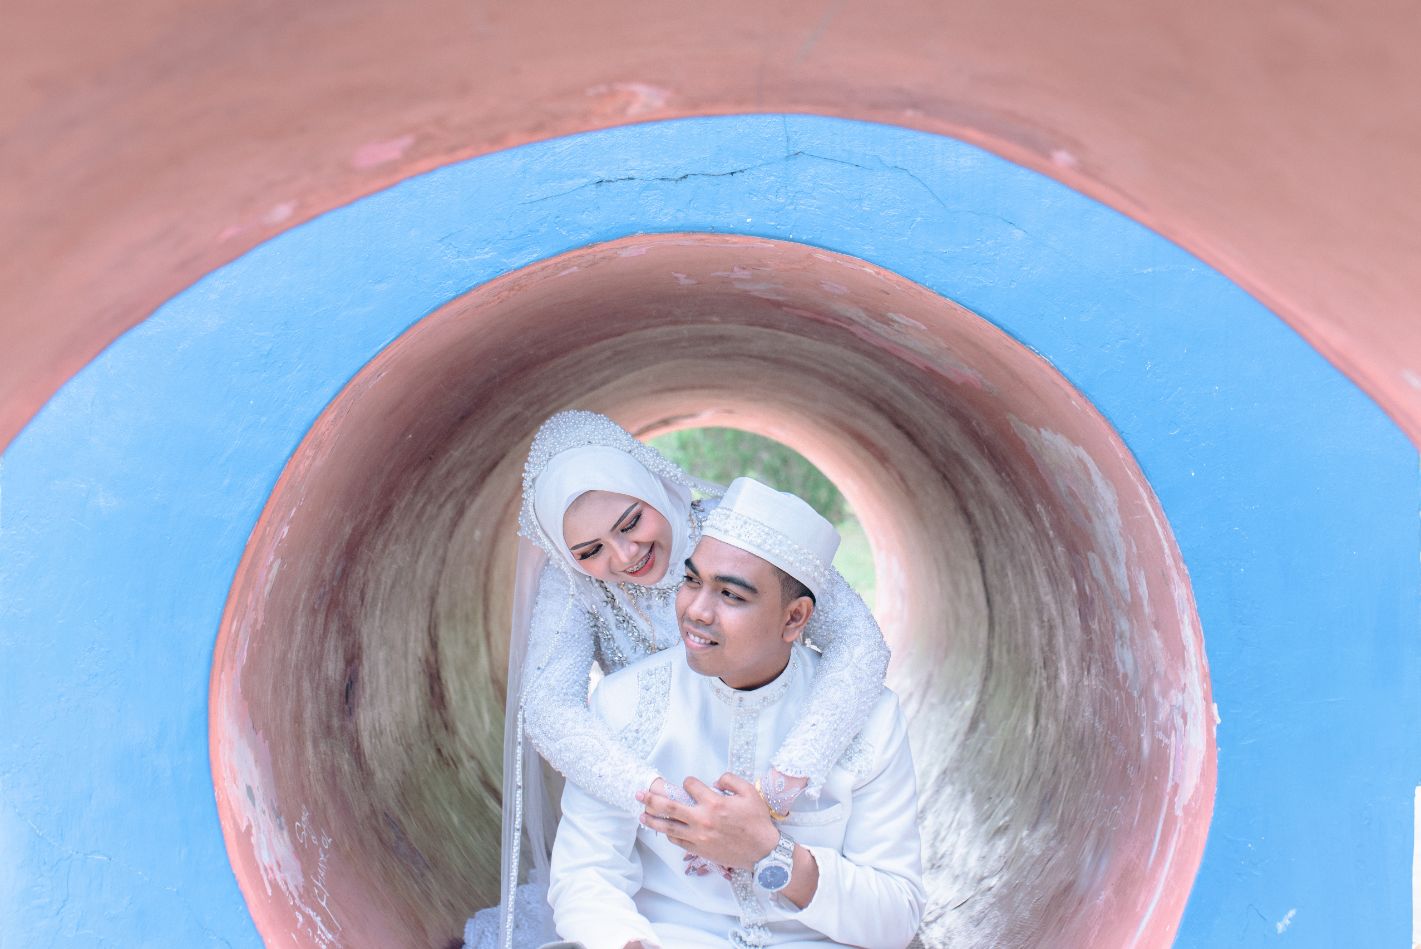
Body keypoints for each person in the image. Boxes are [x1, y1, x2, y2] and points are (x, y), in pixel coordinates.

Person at [465, 412, 892, 949]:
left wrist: (782, 783)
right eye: (590, 551)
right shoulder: (573, 585)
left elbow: (859, 641)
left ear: (649, 486)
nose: (624, 555)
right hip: (663, 814)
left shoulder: (736, 532)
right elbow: (549, 708)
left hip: (778, 757)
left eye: (630, 523)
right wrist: (661, 802)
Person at [546, 477, 924, 948]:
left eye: (731, 595)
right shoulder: (623, 702)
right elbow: (586, 875)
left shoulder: (870, 718)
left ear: (794, 618)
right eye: (691, 581)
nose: (696, 612)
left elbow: (896, 917)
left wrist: (770, 852)